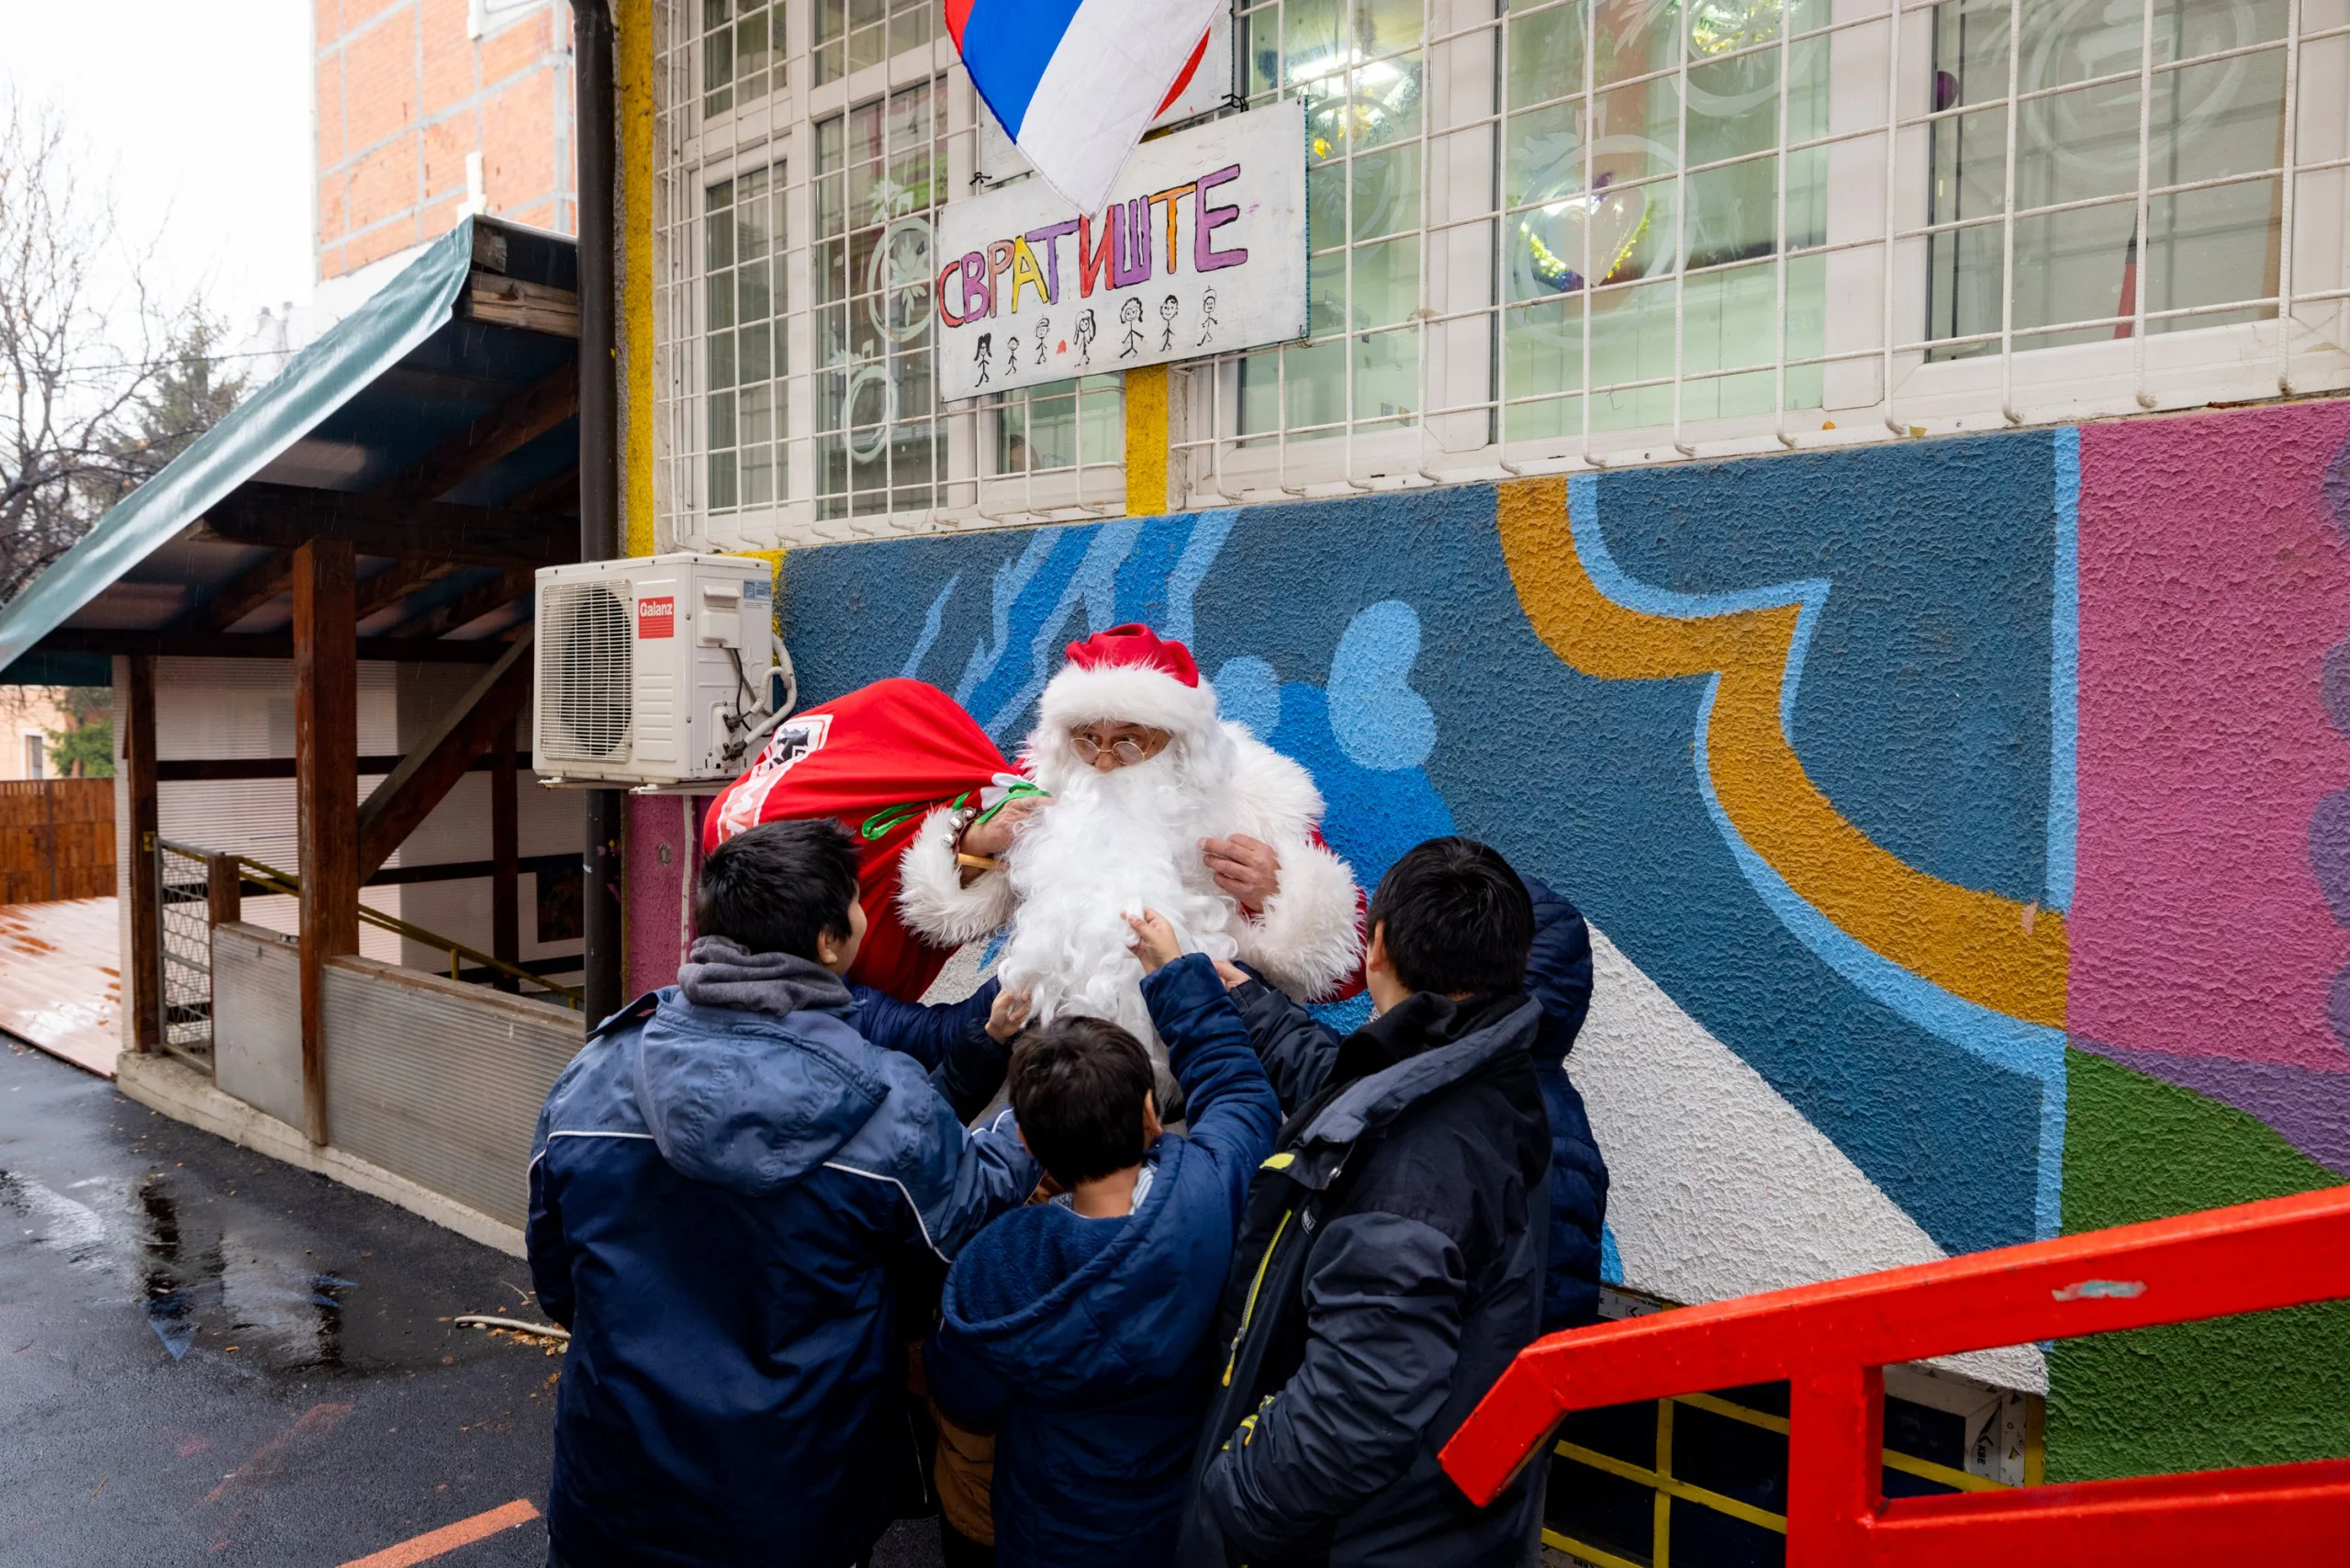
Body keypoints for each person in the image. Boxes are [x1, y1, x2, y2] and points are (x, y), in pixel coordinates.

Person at [526, 819, 1039, 1568]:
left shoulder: (593, 1073)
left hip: (612, 1493)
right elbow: (960, 1226)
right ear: (831, 942)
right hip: (796, 1504)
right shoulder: (887, 1100)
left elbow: (558, 1283)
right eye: (861, 902)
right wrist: (1033, 1121)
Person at [1175, 838, 1566, 1568]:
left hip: (1357, 1540)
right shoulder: (1471, 1070)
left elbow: (1358, 1406)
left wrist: (1228, 1498)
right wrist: (1233, 993)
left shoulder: (1421, 1165)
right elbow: (1339, 1078)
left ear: (1377, 945)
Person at [925, 911, 1281, 1568]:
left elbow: (962, 1394)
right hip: (1181, 1508)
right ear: (1151, 1115)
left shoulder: (995, 1271)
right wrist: (1176, 976)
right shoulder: (1209, 1192)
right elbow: (1239, 1093)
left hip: (1052, 1528)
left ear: (1027, 1144)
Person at [896, 623, 1363, 1089]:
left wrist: (1278, 893)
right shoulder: (1047, 783)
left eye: (1128, 740)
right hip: (1056, 1086)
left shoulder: (1254, 796)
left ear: (1176, 739)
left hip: (1211, 1088)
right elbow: (940, 921)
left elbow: (1349, 970)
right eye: (1086, 738)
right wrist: (976, 840)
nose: (1102, 761)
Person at [1221, 874, 1609, 1335]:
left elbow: (1539, 1324)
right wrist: (1253, 1002)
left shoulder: (1545, 1145)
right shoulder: (1434, 1079)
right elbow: (1335, 1080)